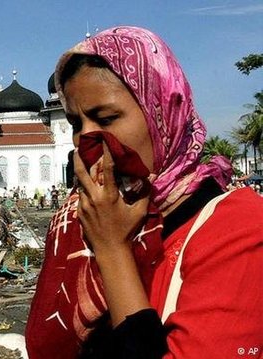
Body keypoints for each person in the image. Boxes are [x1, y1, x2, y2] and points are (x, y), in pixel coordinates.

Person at [26, 26, 263, 358]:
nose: (86, 140)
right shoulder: (91, 219)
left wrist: (113, 251)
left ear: (163, 113)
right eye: (76, 124)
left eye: (106, 118)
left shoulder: (238, 228)